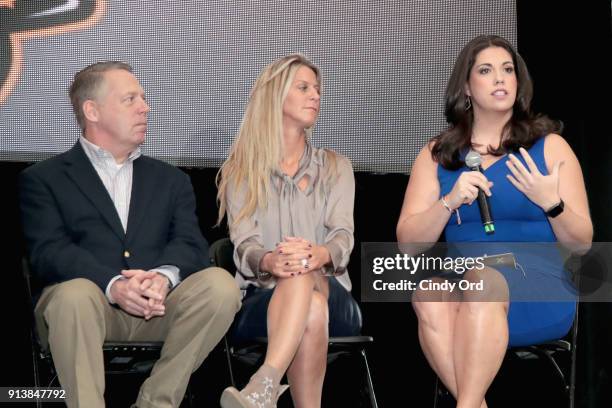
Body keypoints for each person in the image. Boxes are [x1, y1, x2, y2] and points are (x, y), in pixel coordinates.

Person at [19, 61, 241, 408]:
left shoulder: (171, 180)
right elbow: (50, 252)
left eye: (144, 98)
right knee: (74, 295)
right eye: (130, 99)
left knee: (221, 286)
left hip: (157, 309)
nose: (145, 107)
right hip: (85, 311)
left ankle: (156, 402)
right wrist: (114, 285)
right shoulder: (44, 179)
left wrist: (162, 278)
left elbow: (190, 244)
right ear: (92, 110)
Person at [396, 35, 592, 408]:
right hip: (466, 283)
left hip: (535, 292)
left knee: (483, 282)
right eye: (486, 71)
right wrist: (448, 202)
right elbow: (408, 243)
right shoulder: (437, 155)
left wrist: (552, 204)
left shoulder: (549, 147)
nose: (500, 78)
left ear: (518, 83)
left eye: (507, 70)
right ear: (466, 87)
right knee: (428, 294)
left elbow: (582, 242)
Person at [216, 54, 361, 408]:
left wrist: (319, 254)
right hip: (261, 298)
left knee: (304, 271)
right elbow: (244, 244)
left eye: (317, 89)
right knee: (306, 299)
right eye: (304, 88)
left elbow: (343, 235)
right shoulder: (240, 170)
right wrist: (269, 260)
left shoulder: (336, 166)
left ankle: (266, 379)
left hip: (335, 298)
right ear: (276, 97)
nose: (316, 96)